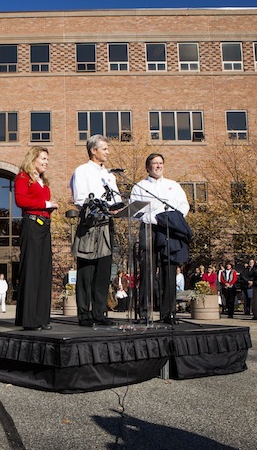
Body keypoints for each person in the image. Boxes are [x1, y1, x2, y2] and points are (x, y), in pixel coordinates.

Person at [130, 153, 191, 323]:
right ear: (147, 167)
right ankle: (144, 313)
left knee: (169, 272)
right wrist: (155, 217)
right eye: (154, 163)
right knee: (147, 271)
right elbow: (135, 211)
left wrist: (170, 219)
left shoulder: (173, 185)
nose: (158, 166)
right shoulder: (140, 187)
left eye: (160, 163)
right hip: (149, 230)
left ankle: (168, 313)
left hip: (170, 231)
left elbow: (183, 206)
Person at [70, 134, 122, 327]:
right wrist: (98, 206)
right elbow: (80, 198)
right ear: (93, 150)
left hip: (107, 223)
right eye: (105, 148)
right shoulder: (82, 171)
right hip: (90, 224)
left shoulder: (109, 175)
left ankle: (100, 313)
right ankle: (84, 314)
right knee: (86, 272)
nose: (108, 152)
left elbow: (115, 198)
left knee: (103, 272)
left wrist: (117, 207)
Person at [14, 147, 59, 331]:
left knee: (43, 271)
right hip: (31, 225)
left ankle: (42, 318)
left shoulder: (43, 182)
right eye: (43, 158)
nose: (46, 162)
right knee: (31, 271)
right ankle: (29, 320)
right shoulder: (23, 178)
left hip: (44, 226)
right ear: (33, 159)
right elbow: (21, 201)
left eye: (47, 159)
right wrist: (46, 204)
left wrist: (49, 207)